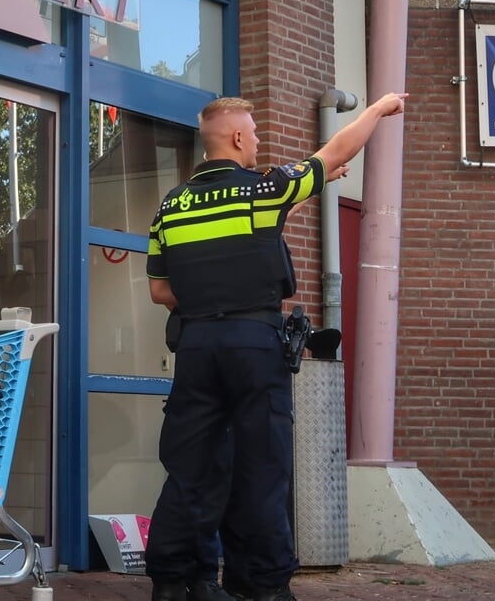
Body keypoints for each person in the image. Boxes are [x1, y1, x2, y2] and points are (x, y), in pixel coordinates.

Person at [143, 92, 407, 601]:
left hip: (195, 345)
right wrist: (378, 109)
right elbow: (334, 153)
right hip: (253, 344)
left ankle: (176, 582)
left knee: (190, 468)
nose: (259, 141)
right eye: (256, 133)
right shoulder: (266, 188)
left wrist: (205, 304)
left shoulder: (169, 206)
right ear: (238, 138)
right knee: (262, 467)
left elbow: (159, 291)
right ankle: (260, 585)